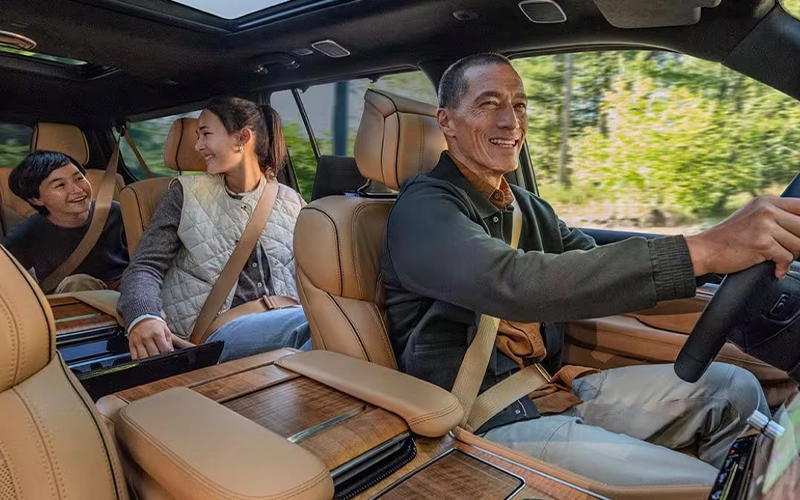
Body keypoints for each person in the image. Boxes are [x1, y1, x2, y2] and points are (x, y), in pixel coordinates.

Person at [380, 53, 797, 485]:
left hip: (549, 391)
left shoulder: (528, 207)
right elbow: (515, 282)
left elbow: (594, 265)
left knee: (734, 390)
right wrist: (706, 249)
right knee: (709, 486)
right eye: (488, 104)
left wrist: (736, 249)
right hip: (480, 419)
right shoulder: (423, 211)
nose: (511, 121)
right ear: (446, 121)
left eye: (519, 105)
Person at [118, 97, 310, 362]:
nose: (198, 146)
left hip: (287, 316)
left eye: (206, 134)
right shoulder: (185, 194)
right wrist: (143, 315)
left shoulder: (293, 201)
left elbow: (311, 274)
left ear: (242, 138)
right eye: (197, 136)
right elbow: (144, 267)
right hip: (218, 332)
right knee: (315, 326)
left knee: (334, 324)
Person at [3, 150, 129, 293]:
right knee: (78, 283)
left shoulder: (116, 212)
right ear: (36, 199)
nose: (77, 189)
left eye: (79, 178)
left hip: (128, 291)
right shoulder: (24, 237)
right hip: (73, 303)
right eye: (60, 185)